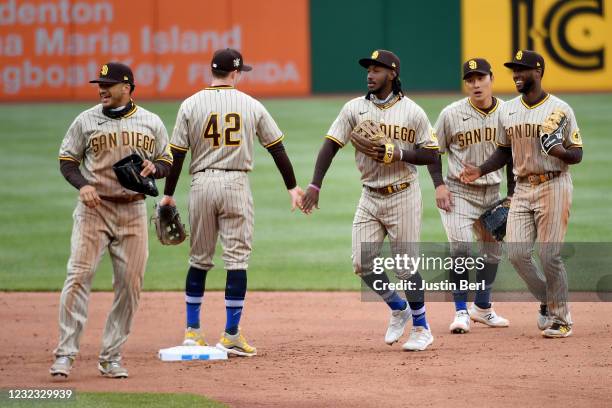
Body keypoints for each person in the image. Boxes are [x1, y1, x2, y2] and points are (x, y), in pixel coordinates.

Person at [161, 48, 303, 357]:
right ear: (235, 73)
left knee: (199, 259)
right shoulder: (251, 105)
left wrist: (168, 193)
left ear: (211, 71)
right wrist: (292, 187)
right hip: (236, 185)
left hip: (200, 184)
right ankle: (230, 334)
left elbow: (177, 155)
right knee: (236, 261)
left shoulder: (190, 104)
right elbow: (277, 149)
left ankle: (192, 331)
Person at [302, 50, 438, 351]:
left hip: (403, 193)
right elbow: (330, 145)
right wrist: (315, 184)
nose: (370, 74)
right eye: (368, 69)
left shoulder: (413, 111)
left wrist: (399, 153)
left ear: (392, 74)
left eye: (377, 69)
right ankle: (398, 308)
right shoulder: (354, 109)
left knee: (405, 267)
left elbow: (431, 153)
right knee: (362, 262)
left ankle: (421, 327)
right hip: (370, 195)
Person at [51, 62, 173, 378]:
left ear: (127, 87)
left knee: (130, 285)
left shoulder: (151, 121)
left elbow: (167, 160)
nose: (101, 89)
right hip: (95, 210)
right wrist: (84, 185)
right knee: (78, 276)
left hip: (133, 211)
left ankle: (111, 356)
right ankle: (65, 353)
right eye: (99, 84)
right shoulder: (85, 120)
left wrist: (154, 168)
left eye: (108, 83)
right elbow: (67, 161)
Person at [460, 50, 583, 338]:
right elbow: (504, 151)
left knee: (549, 255)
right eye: (513, 70)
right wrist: (480, 170)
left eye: (521, 70)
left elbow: (577, 154)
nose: (516, 75)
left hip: (554, 184)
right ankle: (549, 301)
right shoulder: (508, 110)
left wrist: (559, 151)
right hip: (523, 187)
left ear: (538, 72)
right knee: (516, 254)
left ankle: (561, 318)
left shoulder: (561, 109)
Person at [427, 58, 512, 334]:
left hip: (493, 192)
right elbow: (431, 151)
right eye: (470, 79)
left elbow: (513, 155)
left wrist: (511, 195)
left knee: (492, 252)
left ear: (491, 78)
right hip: (458, 192)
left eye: (480, 78)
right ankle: (461, 311)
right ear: (465, 83)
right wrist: (439, 185)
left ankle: (483, 308)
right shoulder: (451, 114)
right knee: (461, 248)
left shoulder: (508, 112)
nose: (475, 84)